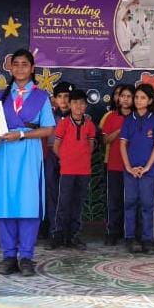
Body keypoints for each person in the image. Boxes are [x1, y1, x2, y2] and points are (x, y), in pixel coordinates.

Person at [0, 49, 55, 277]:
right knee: (5, 202)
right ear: (10, 68)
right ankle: (8, 256)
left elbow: (48, 129)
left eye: (24, 64)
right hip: (5, 153)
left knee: (28, 203)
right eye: (15, 64)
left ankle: (26, 256)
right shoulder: (0, 96)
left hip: (29, 153)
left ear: (32, 68)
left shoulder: (41, 97)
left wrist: (21, 135)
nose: (19, 68)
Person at [120, 83, 154, 254]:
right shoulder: (128, 120)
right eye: (136, 97)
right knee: (130, 203)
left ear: (150, 100)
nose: (138, 100)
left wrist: (147, 167)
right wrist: (129, 168)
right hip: (130, 171)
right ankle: (130, 238)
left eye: (143, 98)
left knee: (147, 205)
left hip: (149, 171)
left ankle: (147, 239)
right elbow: (123, 145)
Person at [51, 89, 96, 250]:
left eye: (82, 103)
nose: (78, 106)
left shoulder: (90, 125)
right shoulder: (63, 123)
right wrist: (66, 159)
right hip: (67, 171)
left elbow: (91, 147)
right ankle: (59, 235)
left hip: (84, 171)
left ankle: (73, 236)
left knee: (78, 204)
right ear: (69, 105)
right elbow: (56, 147)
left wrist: (81, 158)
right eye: (75, 102)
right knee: (63, 203)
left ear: (86, 106)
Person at [101, 84, 134, 245]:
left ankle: (130, 233)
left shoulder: (138, 117)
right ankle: (113, 232)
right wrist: (121, 130)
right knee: (114, 200)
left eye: (129, 96)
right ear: (118, 99)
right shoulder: (111, 117)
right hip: (114, 165)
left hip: (134, 166)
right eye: (122, 96)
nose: (125, 99)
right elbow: (105, 140)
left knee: (131, 201)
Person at [45, 81, 75, 249]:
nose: (63, 100)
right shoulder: (48, 116)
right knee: (52, 195)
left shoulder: (79, 118)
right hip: (52, 157)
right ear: (54, 99)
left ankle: (69, 234)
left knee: (70, 195)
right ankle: (54, 232)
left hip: (72, 159)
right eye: (60, 96)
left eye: (67, 97)